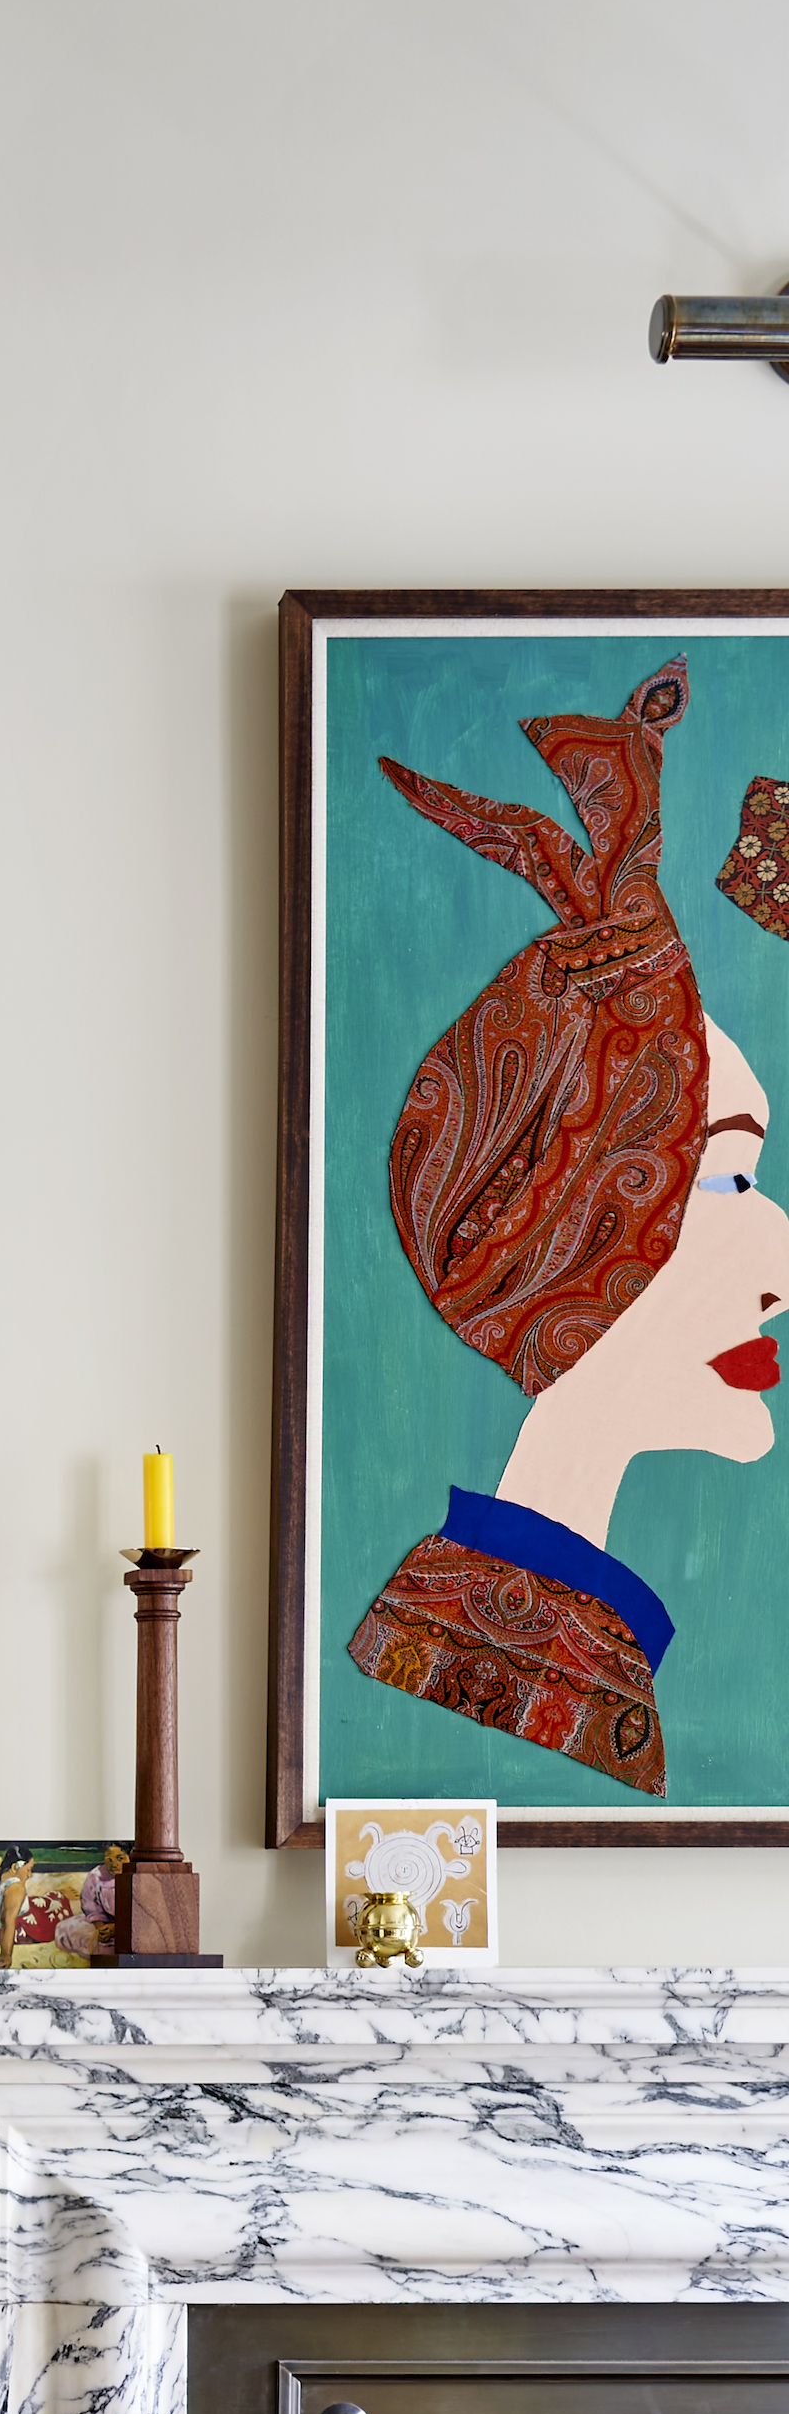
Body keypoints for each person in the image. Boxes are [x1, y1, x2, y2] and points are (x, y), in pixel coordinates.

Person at [347, 660, 789, 1795]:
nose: (779, 1265)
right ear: (559, 1244)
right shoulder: (489, 1654)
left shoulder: (575, 1642)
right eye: (722, 1180)